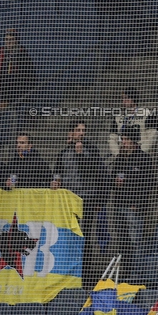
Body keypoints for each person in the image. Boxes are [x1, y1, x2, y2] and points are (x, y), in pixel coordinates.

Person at [52, 122, 109, 287]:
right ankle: (69, 271)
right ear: (72, 132)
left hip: (88, 201)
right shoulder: (64, 152)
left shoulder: (91, 150)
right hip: (69, 202)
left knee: (84, 235)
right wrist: (55, 181)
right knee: (70, 237)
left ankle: (85, 273)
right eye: (78, 130)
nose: (81, 133)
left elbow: (96, 174)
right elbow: (58, 172)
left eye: (84, 130)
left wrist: (80, 155)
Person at [108, 126, 153, 261]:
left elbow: (147, 185)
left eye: (126, 139)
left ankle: (135, 273)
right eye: (122, 139)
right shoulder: (119, 159)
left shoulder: (144, 159)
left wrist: (138, 204)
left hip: (134, 207)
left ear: (133, 140)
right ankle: (124, 272)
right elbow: (111, 178)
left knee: (135, 242)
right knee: (122, 242)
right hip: (119, 205)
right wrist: (115, 181)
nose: (123, 142)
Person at [0, 29, 35, 112]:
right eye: (6, 39)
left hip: (17, 89)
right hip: (1, 88)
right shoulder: (1, 51)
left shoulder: (22, 53)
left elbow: (27, 74)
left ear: (16, 40)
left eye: (11, 39)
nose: (8, 42)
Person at [108, 86, 158, 156]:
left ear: (133, 98)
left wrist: (140, 152)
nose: (124, 101)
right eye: (123, 98)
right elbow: (112, 138)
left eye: (127, 97)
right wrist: (118, 154)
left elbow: (153, 135)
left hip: (140, 157)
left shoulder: (147, 113)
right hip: (122, 157)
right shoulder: (118, 117)